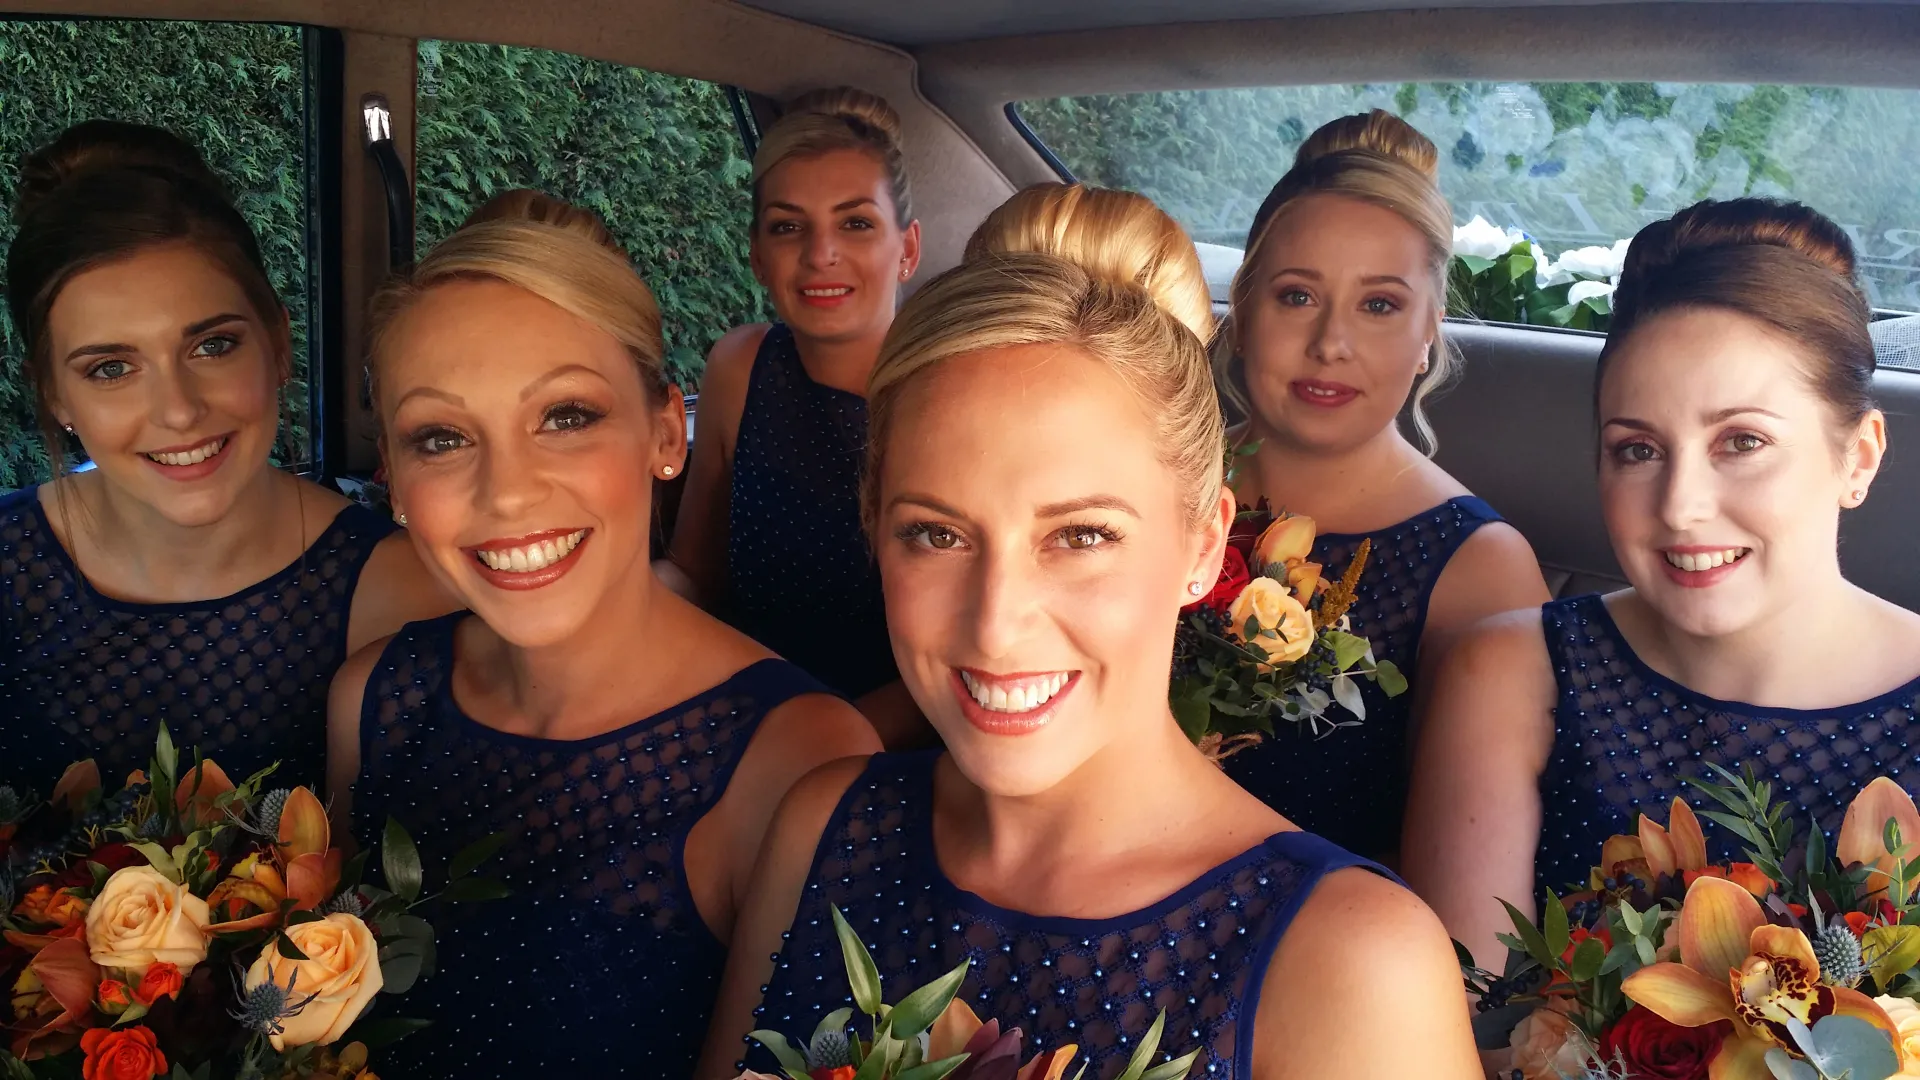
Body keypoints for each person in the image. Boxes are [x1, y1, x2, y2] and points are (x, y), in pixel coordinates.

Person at [695, 184, 1479, 1080]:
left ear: (1204, 543)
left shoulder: (1352, 964)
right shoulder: (820, 823)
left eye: (1080, 536)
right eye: (937, 534)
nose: (996, 622)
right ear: (875, 526)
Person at [326, 190, 880, 1078]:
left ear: (665, 430)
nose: (506, 491)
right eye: (441, 438)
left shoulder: (800, 760)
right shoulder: (372, 699)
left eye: (566, 417)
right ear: (392, 479)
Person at [1402, 197, 1920, 970]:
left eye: (1742, 441)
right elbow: (1458, 1022)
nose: (1680, 506)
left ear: (1859, 457)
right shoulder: (1511, 674)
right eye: (1637, 449)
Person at [0, 120, 449, 792]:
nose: (178, 410)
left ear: (277, 344)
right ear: (54, 395)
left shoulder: (404, 593)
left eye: (211, 346)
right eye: (111, 368)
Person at [1214, 111, 1549, 860]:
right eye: (1297, 295)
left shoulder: (1479, 567)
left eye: (1379, 305)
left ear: (1430, 327)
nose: (1331, 343)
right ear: (1242, 309)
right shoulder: (1148, 483)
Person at [658, 87, 923, 744]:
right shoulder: (739, 367)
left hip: (891, 744)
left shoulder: (947, 395)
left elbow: (973, 650)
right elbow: (694, 572)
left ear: (908, 250)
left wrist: (804, 745)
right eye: (787, 226)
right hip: (735, 708)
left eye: (855, 223)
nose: (820, 253)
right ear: (756, 256)